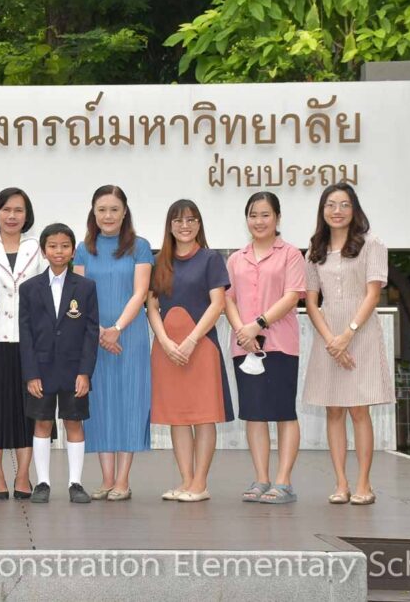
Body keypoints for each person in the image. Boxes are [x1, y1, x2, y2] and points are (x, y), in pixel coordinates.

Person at [303, 184, 392, 506]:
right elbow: (311, 301)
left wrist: (348, 334)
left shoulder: (371, 244)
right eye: (330, 205)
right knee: (334, 409)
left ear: (354, 209)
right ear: (322, 210)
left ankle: (364, 483)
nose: (337, 211)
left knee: (359, 409)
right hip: (327, 335)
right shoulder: (314, 249)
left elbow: (373, 294)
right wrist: (331, 339)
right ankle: (341, 483)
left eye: (344, 204)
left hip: (361, 333)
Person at [72, 185, 154, 501]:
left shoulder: (140, 247)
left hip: (129, 336)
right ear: (93, 213)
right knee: (101, 405)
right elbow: (78, 293)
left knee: (129, 404)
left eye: (114, 209)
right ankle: (106, 479)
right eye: (102, 210)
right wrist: (99, 331)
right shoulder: (83, 249)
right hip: (93, 336)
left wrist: (117, 328)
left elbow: (140, 292)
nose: (108, 216)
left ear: (124, 212)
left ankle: (123, 480)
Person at [147, 199, 232, 503]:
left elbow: (218, 304)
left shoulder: (211, 259)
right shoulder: (159, 262)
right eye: (179, 220)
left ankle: (200, 483)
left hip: (201, 346)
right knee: (178, 417)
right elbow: (152, 306)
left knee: (204, 416)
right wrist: (164, 341)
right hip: (167, 350)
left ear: (199, 224)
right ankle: (185, 480)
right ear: (169, 226)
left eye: (191, 220)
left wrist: (192, 340)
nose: (185, 226)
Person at [224, 192, 305, 504]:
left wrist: (257, 324)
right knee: (254, 413)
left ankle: (284, 482)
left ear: (278, 218)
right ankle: (261, 478)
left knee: (283, 411)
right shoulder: (236, 259)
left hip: (280, 344)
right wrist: (242, 331)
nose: (259, 221)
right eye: (253, 215)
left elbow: (292, 296)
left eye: (265, 214)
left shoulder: (291, 255)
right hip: (244, 346)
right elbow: (228, 299)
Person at [19, 223, 99, 504]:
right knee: (42, 423)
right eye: (52, 246)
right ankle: (42, 482)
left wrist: (85, 372)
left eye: (65, 246)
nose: (59, 251)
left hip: (73, 370)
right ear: (43, 251)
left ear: (73, 251)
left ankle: (75, 483)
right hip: (41, 370)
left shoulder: (86, 287)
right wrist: (31, 374)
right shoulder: (29, 288)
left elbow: (91, 333)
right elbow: (26, 334)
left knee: (74, 422)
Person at [0, 187, 45, 500]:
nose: (11, 216)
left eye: (18, 210)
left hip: (30, 342)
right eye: (6, 209)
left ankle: (22, 474)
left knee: (26, 411)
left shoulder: (39, 249)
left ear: (27, 215)